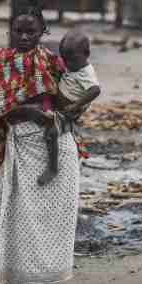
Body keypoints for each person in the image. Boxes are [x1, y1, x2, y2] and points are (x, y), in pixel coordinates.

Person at [0, 6, 85, 284]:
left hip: (56, 147)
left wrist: (50, 116)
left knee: (51, 216)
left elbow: (76, 102)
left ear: (43, 33)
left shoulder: (54, 62)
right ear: (9, 31)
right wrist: (23, 110)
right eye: (18, 31)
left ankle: (45, 279)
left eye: (31, 31)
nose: (24, 36)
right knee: (4, 212)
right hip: (18, 146)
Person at [38, 30, 101, 186]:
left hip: (68, 111)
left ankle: (53, 168)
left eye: (72, 61)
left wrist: (76, 105)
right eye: (65, 59)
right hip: (59, 102)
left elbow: (95, 90)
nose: (68, 64)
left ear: (87, 54)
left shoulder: (86, 72)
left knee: (51, 133)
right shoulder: (72, 64)